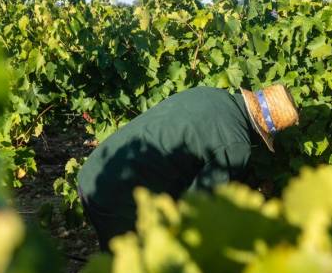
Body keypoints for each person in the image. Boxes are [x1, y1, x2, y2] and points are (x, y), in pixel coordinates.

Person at [76, 84, 299, 251]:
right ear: (265, 132)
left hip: (99, 165)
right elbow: (195, 210)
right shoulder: (236, 143)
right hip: (117, 194)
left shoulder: (214, 94)